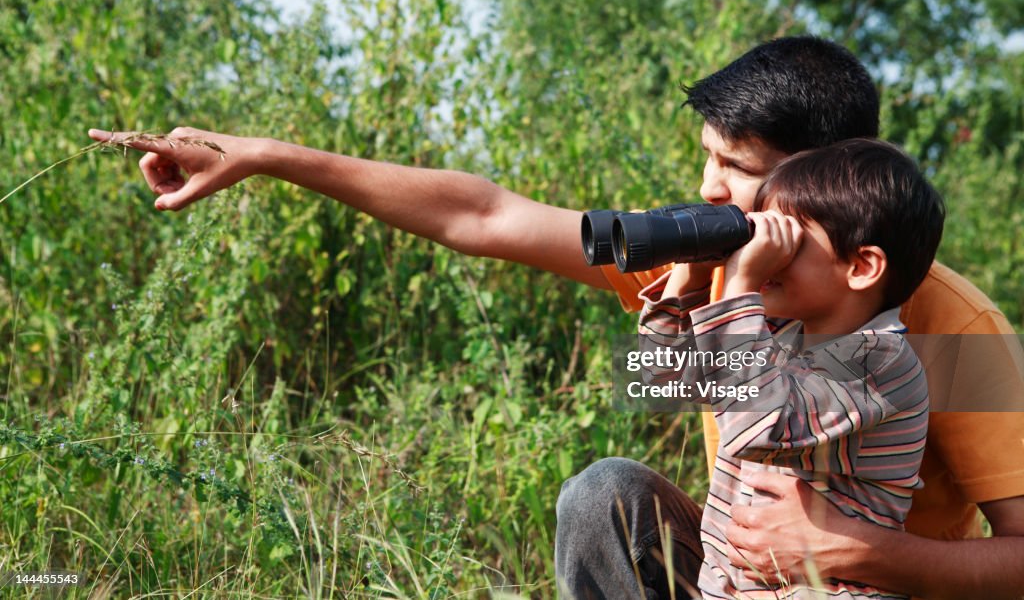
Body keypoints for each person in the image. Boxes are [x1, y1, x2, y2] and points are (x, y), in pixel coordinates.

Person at [89, 37, 1024, 598]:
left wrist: (854, 551)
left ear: (819, 178)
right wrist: (264, 156)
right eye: (704, 157)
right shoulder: (708, 256)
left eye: (735, 168)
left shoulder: (948, 328)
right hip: (739, 576)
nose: (705, 189)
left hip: (867, 587)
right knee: (605, 495)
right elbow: (484, 215)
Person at [636, 139, 941, 599]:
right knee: (607, 486)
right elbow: (660, 377)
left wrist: (740, 285)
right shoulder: (781, 339)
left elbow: (755, 427)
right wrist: (692, 280)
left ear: (861, 266)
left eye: (789, 239)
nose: (767, 252)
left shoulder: (881, 361)